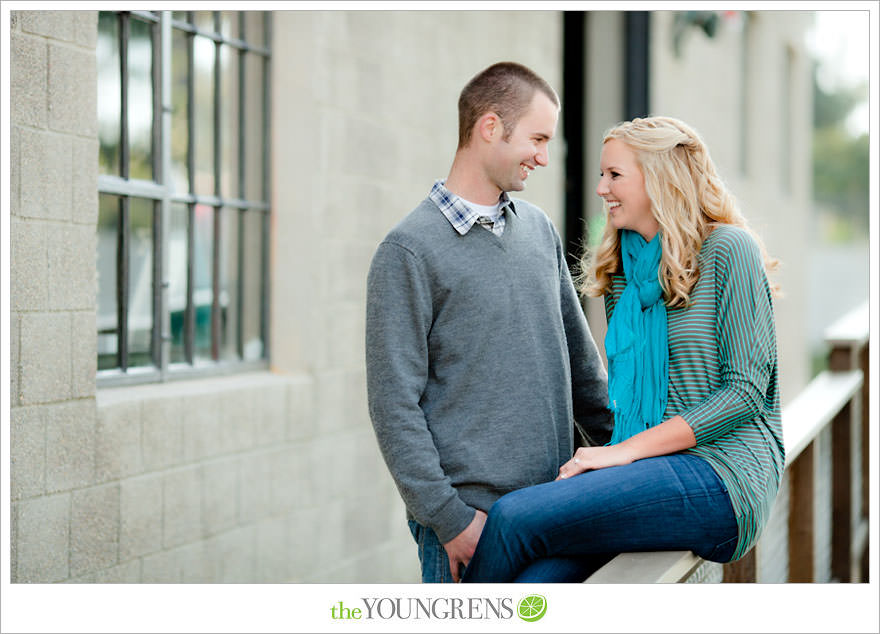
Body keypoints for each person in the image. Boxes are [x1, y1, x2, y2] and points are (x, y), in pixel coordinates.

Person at [461, 115, 786, 583]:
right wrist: (620, 453)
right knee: (539, 581)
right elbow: (622, 394)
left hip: (724, 474)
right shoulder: (622, 274)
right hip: (650, 473)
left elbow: (746, 392)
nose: (600, 188)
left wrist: (624, 452)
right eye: (601, 174)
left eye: (614, 175)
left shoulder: (728, 251)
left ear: (660, 180)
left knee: (513, 517)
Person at [365, 62, 614, 583]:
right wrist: (450, 521)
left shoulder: (539, 231)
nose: (545, 157)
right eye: (537, 138)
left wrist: (626, 457)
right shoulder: (408, 251)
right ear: (490, 127)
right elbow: (394, 405)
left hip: (555, 510)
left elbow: (582, 371)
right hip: (475, 526)